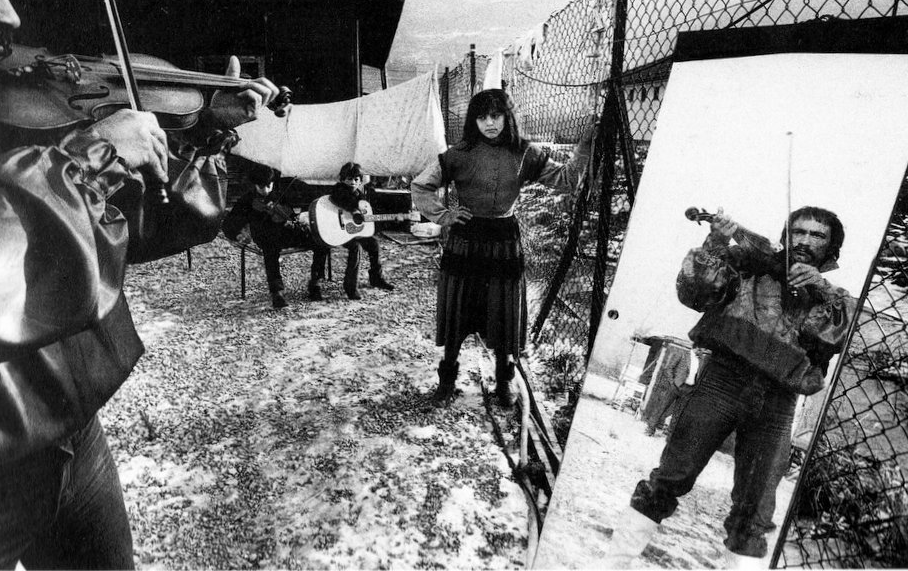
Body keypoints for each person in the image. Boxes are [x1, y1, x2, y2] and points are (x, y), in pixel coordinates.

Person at [0, 0, 278, 568]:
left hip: (71, 441)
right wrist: (91, 156)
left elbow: (100, 231)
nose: (9, 14)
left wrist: (200, 134)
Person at [606, 207, 854, 568]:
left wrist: (821, 288)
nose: (804, 240)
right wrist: (718, 240)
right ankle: (614, 562)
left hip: (777, 404)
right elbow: (694, 292)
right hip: (722, 383)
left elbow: (840, 336)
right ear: (786, 235)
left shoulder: (834, 298)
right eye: (798, 232)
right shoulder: (748, 265)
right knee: (670, 478)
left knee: (755, 513)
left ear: (831, 249)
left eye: (817, 235)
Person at [411, 89, 592, 407]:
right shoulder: (460, 153)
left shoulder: (525, 152)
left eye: (496, 115)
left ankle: (504, 386)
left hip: (504, 244)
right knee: (457, 314)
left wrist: (587, 144)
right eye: (482, 117)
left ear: (508, 116)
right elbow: (421, 185)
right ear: (473, 121)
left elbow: (567, 179)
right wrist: (444, 216)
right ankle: (446, 384)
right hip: (464, 242)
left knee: (503, 316)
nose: (489, 123)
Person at [221, 164, 329, 308]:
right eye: (260, 187)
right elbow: (229, 222)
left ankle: (315, 283)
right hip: (264, 235)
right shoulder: (247, 200)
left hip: (285, 232)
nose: (265, 190)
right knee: (270, 249)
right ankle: (276, 292)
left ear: (272, 183)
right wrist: (238, 234)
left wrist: (291, 217)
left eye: (268, 186)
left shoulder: (280, 194)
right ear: (255, 185)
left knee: (320, 241)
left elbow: (293, 214)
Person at [326, 161, 396, 300]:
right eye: (349, 179)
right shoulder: (338, 190)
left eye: (356, 179)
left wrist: (393, 218)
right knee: (356, 248)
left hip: (353, 231)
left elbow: (365, 217)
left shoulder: (360, 194)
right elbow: (339, 200)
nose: (352, 182)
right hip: (338, 231)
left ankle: (376, 277)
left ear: (360, 181)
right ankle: (350, 287)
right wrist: (353, 210)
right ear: (342, 179)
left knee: (374, 244)